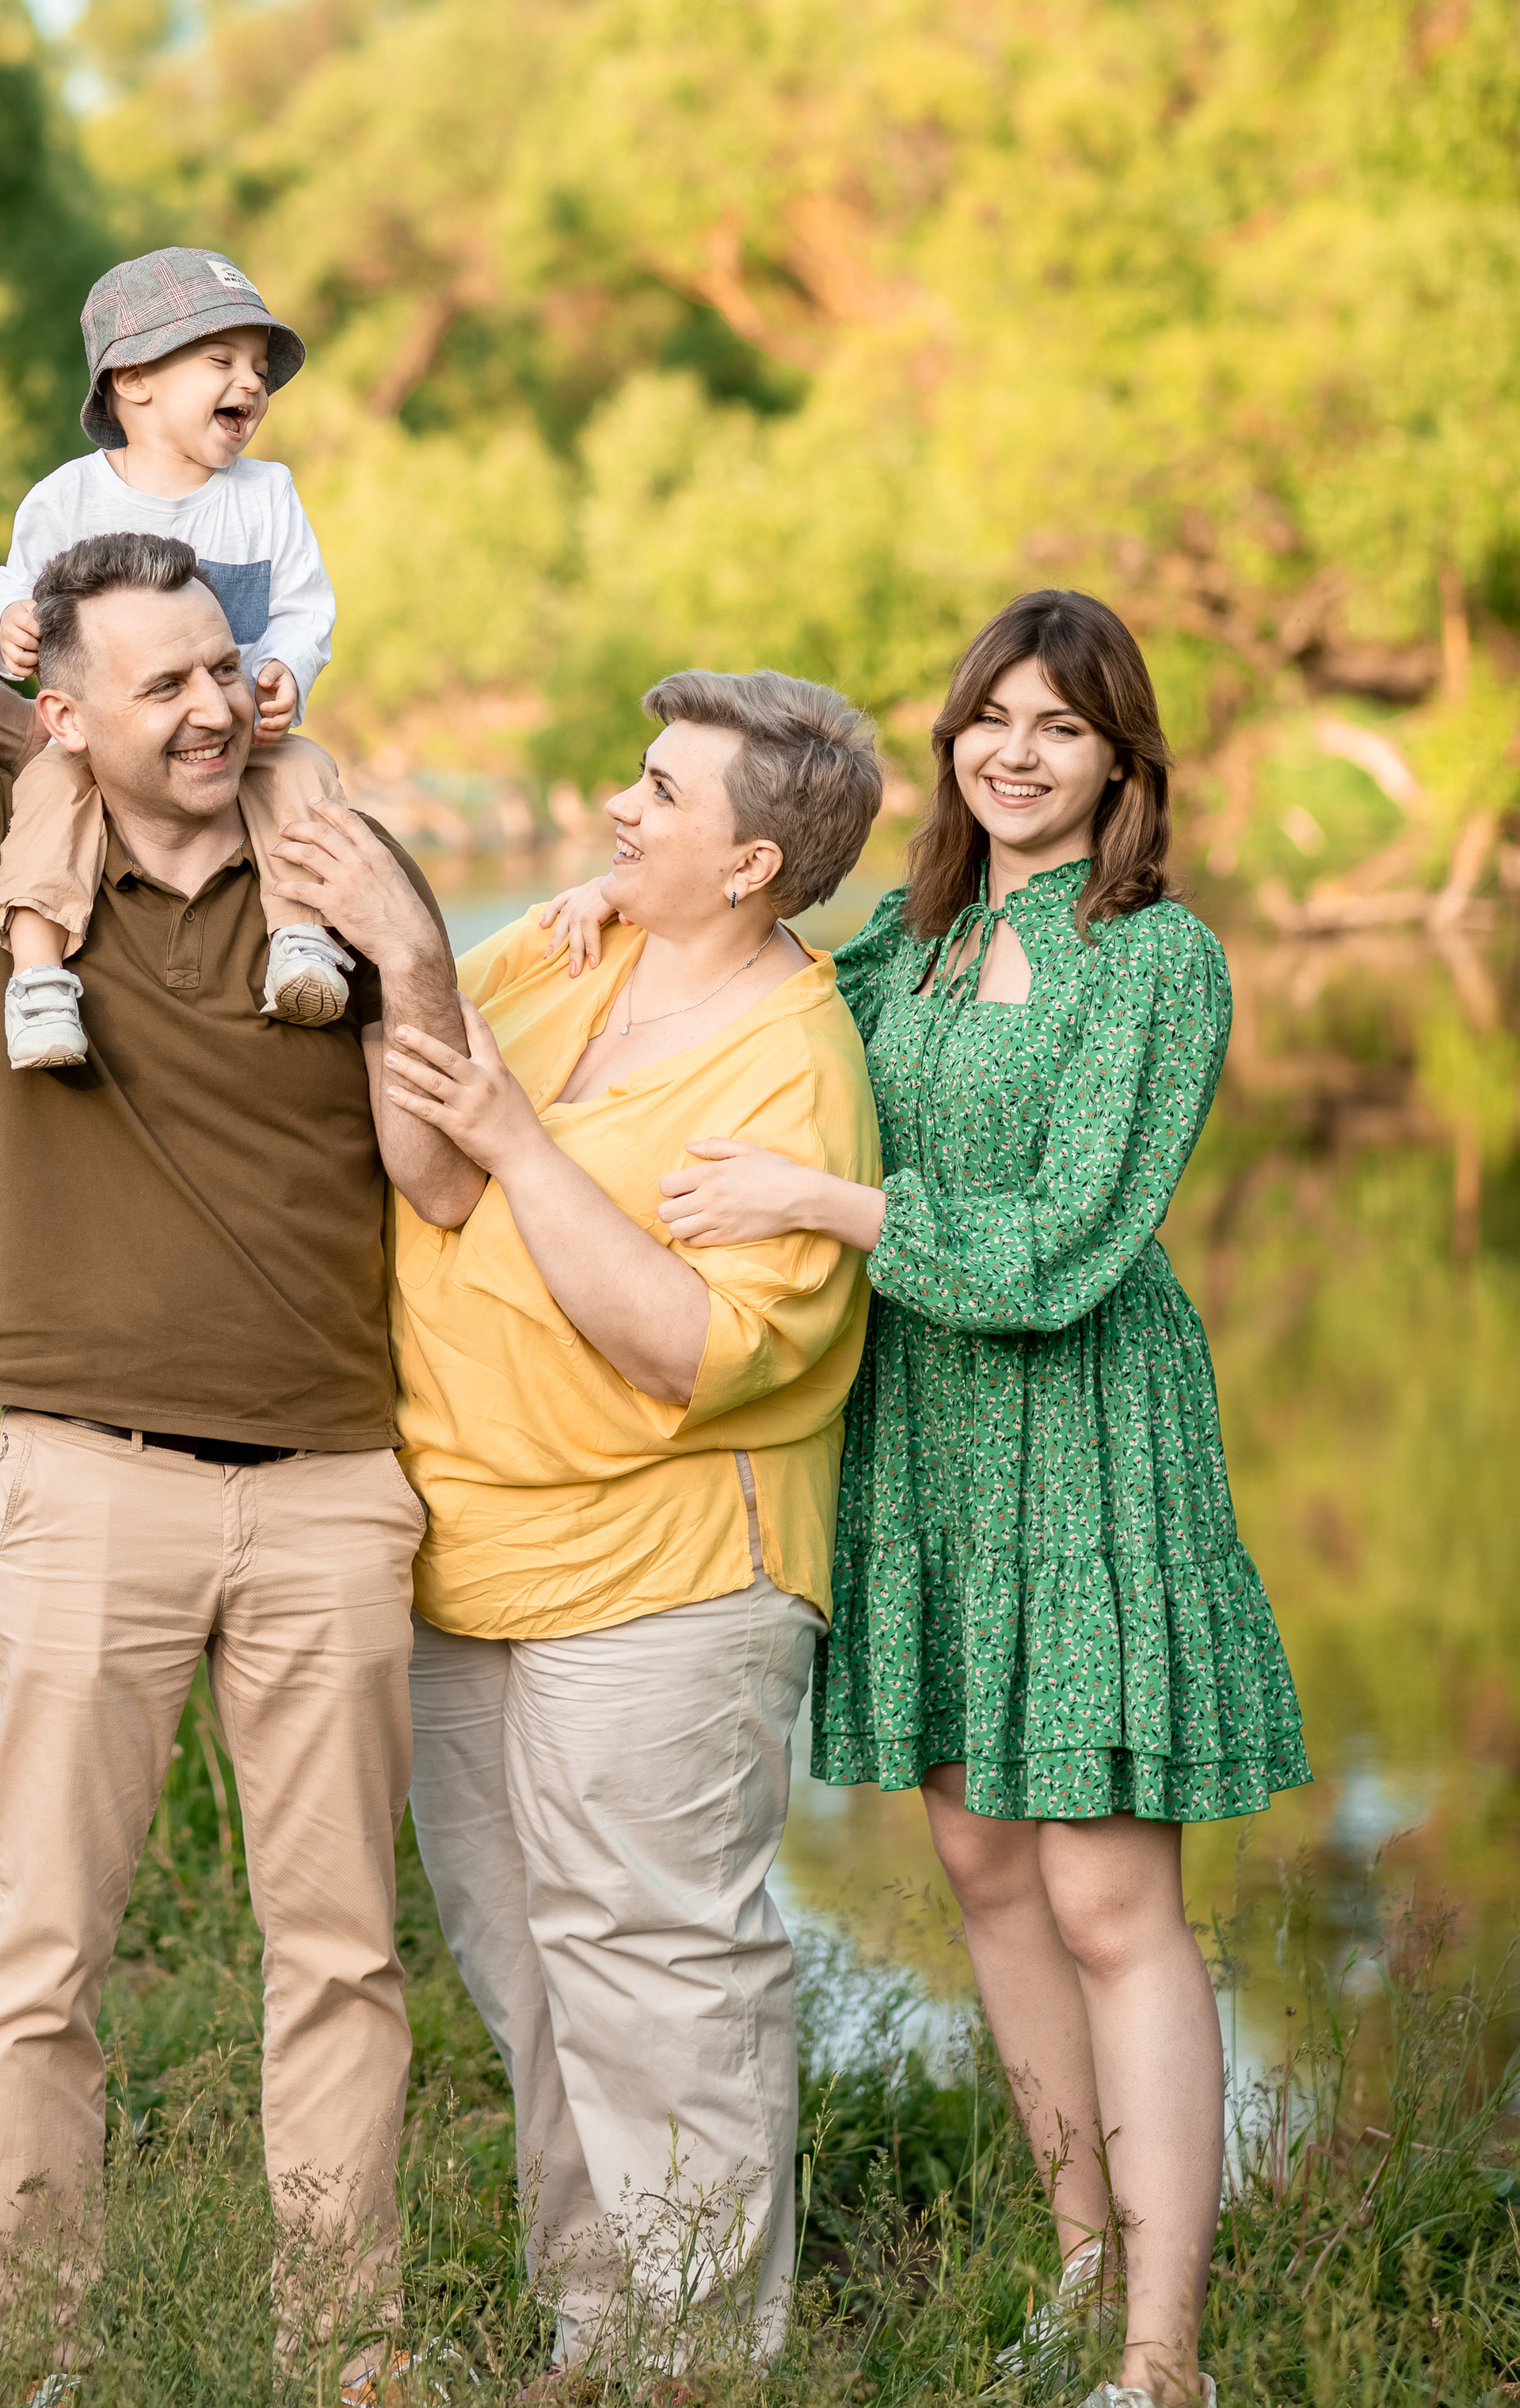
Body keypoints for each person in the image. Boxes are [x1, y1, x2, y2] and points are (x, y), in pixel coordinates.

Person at [554, 591, 1306, 2408]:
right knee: (978, 1866)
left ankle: (1162, 2349)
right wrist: (602, 908)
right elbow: (746, 951)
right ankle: (1073, 2255)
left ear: (1120, 758)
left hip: (1084, 1447)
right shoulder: (904, 939)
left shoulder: (1153, 957)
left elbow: (1059, 1243)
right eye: (990, 716)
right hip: (923, 1444)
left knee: (1110, 1897)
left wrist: (835, 1214)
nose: (1015, 750)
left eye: (1060, 724)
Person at [0, 528, 478, 2388]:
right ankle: (37, 2366)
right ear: (70, 704)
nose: (205, 704)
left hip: (332, 1488)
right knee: (37, 1965)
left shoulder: (329, 876)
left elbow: (432, 1172)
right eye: (157, 679)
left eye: (220, 666)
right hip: (89, 1485)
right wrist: (51, 740)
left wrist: (409, 950)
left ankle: (347, 2361)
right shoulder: (19, 878)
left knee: (338, 1963)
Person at [377, 668, 886, 2372]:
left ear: (748, 863)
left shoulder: (789, 1065)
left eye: (661, 794)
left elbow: (693, 1348)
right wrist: (416, 966)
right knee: (527, 1964)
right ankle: (590, 2329)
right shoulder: (562, 951)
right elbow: (426, 1162)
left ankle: (696, 2358)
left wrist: (526, 1145)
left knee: (658, 1967)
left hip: (661, 1578)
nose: (620, 807)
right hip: (470, 1552)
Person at [0, 243, 354, 1069]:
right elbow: (12, 583)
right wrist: (7, 622)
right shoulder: (70, 498)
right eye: (221, 359)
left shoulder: (266, 495)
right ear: (135, 379)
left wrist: (287, 668)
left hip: (235, 736)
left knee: (303, 775)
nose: (251, 383)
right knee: (46, 794)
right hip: (113, 745)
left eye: (259, 367)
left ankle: (298, 937)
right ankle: (40, 980)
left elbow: (304, 606)